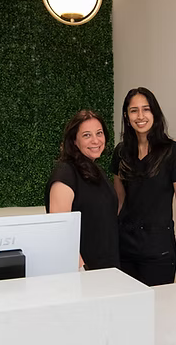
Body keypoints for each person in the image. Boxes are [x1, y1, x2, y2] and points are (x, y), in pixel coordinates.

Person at [111, 87, 176, 286]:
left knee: (159, 303)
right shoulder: (121, 153)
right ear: (127, 116)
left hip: (159, 250)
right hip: (124, 248)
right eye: (134, 110)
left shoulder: (173, 152)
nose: (140, 116)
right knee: (126, 303)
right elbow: (119, 201)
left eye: (146, 109)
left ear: (155, 113)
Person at [45, 110, 120, 271]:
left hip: (107, 268)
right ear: (74, 141)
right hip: (83, 272)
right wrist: (82, 269)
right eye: (87, 135)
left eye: (99, 133)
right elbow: (60, 230)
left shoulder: (95, 170)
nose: (95, 140)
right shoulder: (65, 173)